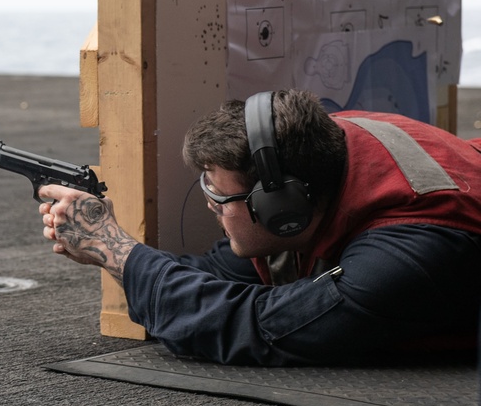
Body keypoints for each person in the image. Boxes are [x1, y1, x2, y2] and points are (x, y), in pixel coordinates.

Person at [38, 89, 481, 366]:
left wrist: (112, 249)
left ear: (281, 208)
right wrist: (113, 251)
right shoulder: (327, 150)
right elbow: (214, 276)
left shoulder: (404, 256)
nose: (210, 206)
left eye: (219, 197)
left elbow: (252, 326)